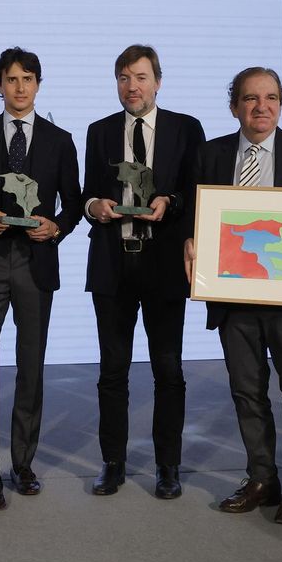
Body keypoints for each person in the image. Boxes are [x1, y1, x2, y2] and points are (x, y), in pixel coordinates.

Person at [187, 67, 282, 524]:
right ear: (235, 106)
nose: (262, 107)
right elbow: (195, 217)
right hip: (235, 300)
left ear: (281, 103)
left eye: (271, 97)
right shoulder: (211, 154)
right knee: (247, 393)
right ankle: (262, 479)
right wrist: (190, 243)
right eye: (251, 98)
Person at [0, 47, 81, 510]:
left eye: (28, 79)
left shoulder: (60, 139)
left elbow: (73, 203)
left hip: (36, 263)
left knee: (30, 368)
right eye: (11, 79)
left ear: (38, 85)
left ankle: (23, 463)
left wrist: (58, 227)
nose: (20, 87)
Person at [82, 44, 204, 499]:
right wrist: (95, 205)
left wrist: (169, 202)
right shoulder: (98, 131)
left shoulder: (186, 129)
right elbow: (87, 192)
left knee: (168, 370)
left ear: (157, 81)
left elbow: (198, 192)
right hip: (113, 266)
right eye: (123, 78)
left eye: (140, 77)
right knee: (112, 371)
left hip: (165, 265)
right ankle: (112, 463)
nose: (131, 86)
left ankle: (167, 466)